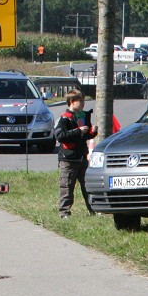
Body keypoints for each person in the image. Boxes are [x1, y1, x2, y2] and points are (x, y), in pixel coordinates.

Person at [53, 89, 97, 218]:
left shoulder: (82, 116)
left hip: (81, 157)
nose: (83, 103)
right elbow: (60, 136)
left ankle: (93, 210)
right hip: (68, 159)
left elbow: (85, 137)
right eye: (80, 101)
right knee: (66, 187)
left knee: (88, 187)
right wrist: (78, 131)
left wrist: (92, 132)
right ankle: (64, 213)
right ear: (72, 102)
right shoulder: (64, 118)